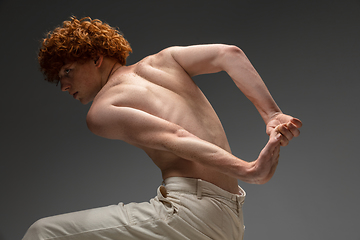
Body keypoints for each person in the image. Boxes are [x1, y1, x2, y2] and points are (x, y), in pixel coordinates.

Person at [23, 16, 302, 240]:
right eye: (58, 79)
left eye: (67, 71)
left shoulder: (102, 111)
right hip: (228, 217)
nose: (63, 86)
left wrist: (250, 170)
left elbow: (173, 136)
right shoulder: (166, 61)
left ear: (96, 58)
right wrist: (272, 113)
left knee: (43, 233)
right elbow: (229, 54)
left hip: (190, 215)